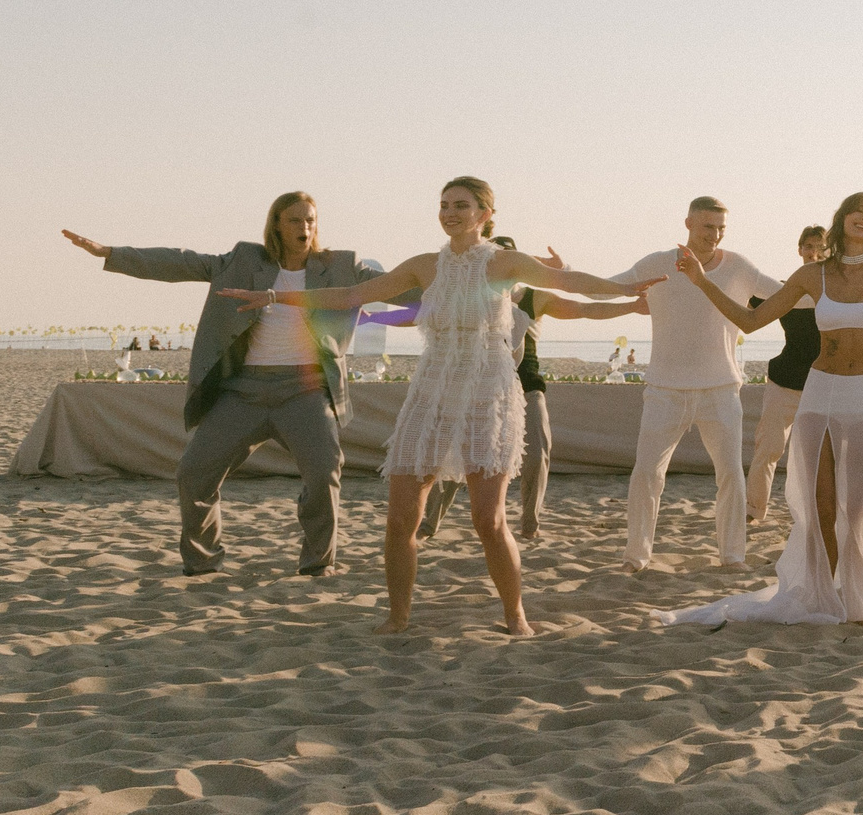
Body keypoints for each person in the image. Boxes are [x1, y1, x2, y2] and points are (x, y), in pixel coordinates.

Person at [217, 176, 646, 634]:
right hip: (431, 388)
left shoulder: (505, 263)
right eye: (443, 205)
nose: (450, 213)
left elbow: (567, 281)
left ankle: (515, 614)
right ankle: (397, 617)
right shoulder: (424, 266)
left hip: (488, 388)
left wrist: (627, 292)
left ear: (484, 214)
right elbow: (351, 295)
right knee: (402, 517)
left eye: (461, 205)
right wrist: (274, 296)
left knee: (488, 519)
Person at [659, 192, 863, 626]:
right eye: (857, 213)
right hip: (820, 392)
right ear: (841, 220)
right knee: (821, 506)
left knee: (860, 506)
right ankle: (825, 598)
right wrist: (700, 280)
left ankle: (859, 596)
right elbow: (751, 321)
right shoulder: (812, 274)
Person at [63, 193, 394, 577]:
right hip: (243, 392)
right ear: (276, 225)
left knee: (323, 473)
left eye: (310, 220)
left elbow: (399, 284)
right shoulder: (243, 260)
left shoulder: (340, 267)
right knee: (193, 473)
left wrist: (464, 272)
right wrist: (111, 253)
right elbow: (183, 261)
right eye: (295, 221)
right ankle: (203, 563)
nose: (305, 228)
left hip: (305, 390)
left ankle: (318, 563)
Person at [414, 237, 644, 544]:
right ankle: (429, 524)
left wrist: (632, 306)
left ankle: (529, 524)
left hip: (525, 386)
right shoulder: (469, 294)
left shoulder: (533, 298)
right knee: (455, 453)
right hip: (475, 388)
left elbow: (586, 309)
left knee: (536, 454)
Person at [608, 198, 782, 572]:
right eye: (708, 227)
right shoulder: (657, 262)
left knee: (731, 475)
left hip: (721, 388)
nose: (715, 235)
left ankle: (733, 555)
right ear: (688, 223)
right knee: (646, 474)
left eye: (721, 228)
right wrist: (564, 272)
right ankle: (636, 557)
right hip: (664, 390)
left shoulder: (738, 267)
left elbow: (784, 295)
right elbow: (612, 287)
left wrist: (826, 282)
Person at [745, 225, 831, 530]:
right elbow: (741, 297)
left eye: (821, 247)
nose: (814, 252)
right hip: (784, 381)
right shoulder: (782, 291)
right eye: (809, 246)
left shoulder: (836, 295)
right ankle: (754, 510)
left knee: (820, 456)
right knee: (768, 448)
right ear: (800, 250)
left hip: (824, 385)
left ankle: (818, 514)